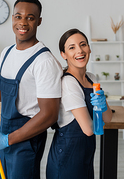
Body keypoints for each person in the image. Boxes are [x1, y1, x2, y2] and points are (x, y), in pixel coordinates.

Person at [0, 0, 62, 179]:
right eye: (18, 16)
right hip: (3, 132)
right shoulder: (7, 52)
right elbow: (3, 93)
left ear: (39, 21)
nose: (23, 23)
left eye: (30, 17)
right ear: (12, 18)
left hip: (27, 139)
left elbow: (49, 114)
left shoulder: (44, 61)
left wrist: (7, 139)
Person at [46, 28, 113, 179]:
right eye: (72, 47)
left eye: (83, 45)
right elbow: (89, 129)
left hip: (86, 155)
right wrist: (100, 118)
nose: (80, 51)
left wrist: (103, 105)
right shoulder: (68, 83)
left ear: (89, 48)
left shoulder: (91, 78)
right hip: (67, 156)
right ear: (63, 55)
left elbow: (108, 118)